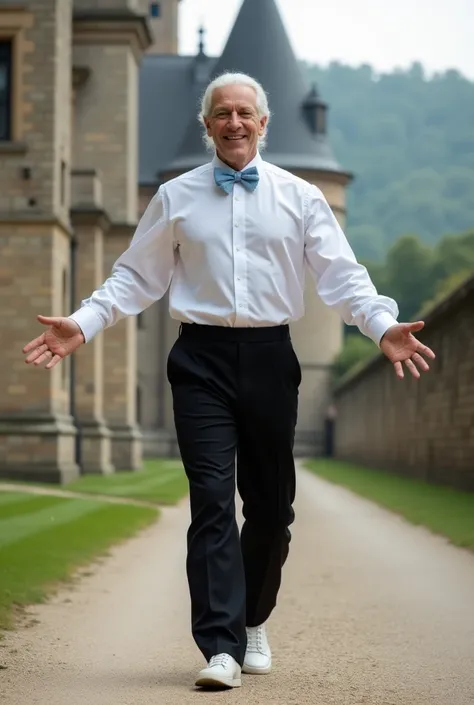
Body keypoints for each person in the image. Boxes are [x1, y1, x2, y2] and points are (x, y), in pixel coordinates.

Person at [22, 72, 435, 690]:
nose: (234, 123)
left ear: (264, 125)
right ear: (207, 124)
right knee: (211, 502)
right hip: (200, 362)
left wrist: (381, 327)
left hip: (271, 357)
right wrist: (81, 324)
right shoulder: (174, 197)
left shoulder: (300, 196)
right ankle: (219, 646)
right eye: (222, 113)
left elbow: (343, 279)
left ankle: (252, 620)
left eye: (246, 113)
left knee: (271, 510)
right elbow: (134, 278)